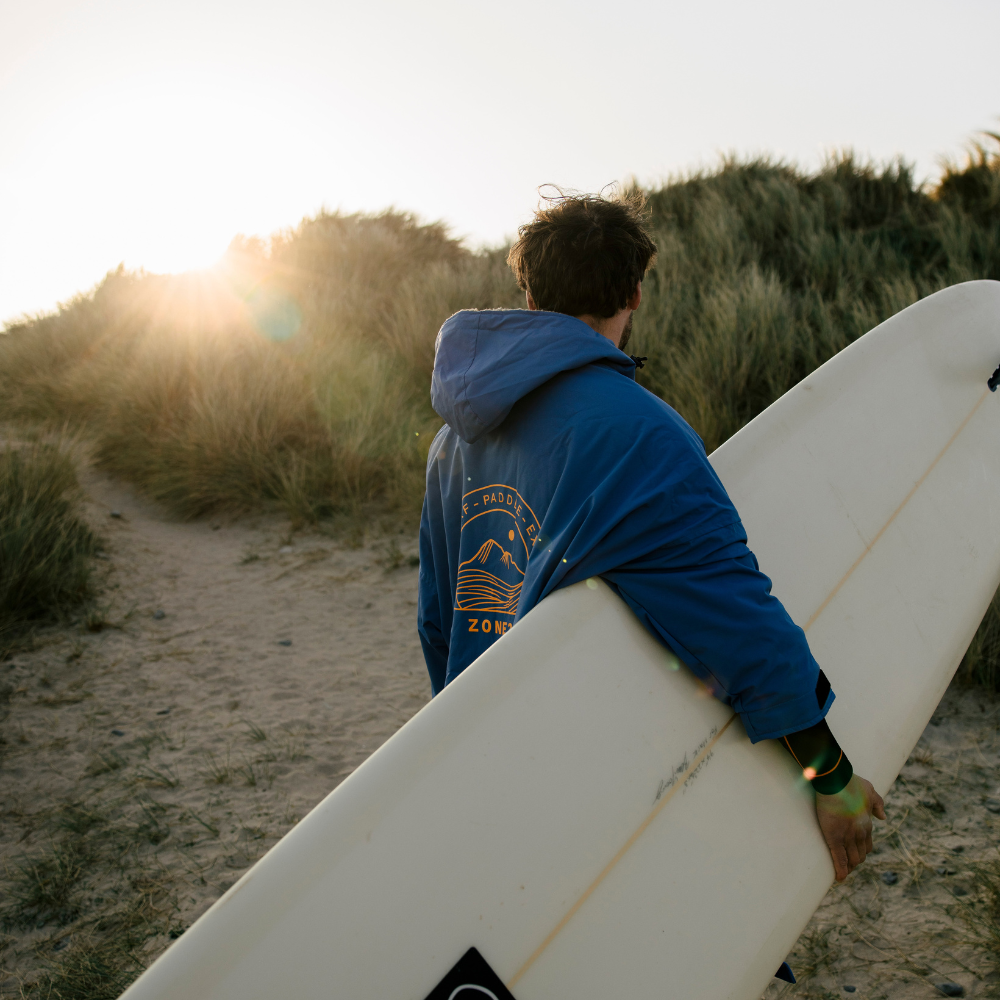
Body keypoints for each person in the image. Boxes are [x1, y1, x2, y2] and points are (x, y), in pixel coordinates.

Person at [417, 188, 885, 885]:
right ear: (635, 291)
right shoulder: (642, 433)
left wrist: (458, 740)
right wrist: (833, 777)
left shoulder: (455, 437)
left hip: (491, 750)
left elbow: (438, 616)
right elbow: (736, 620)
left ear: (530, 289)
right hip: (591, 768)